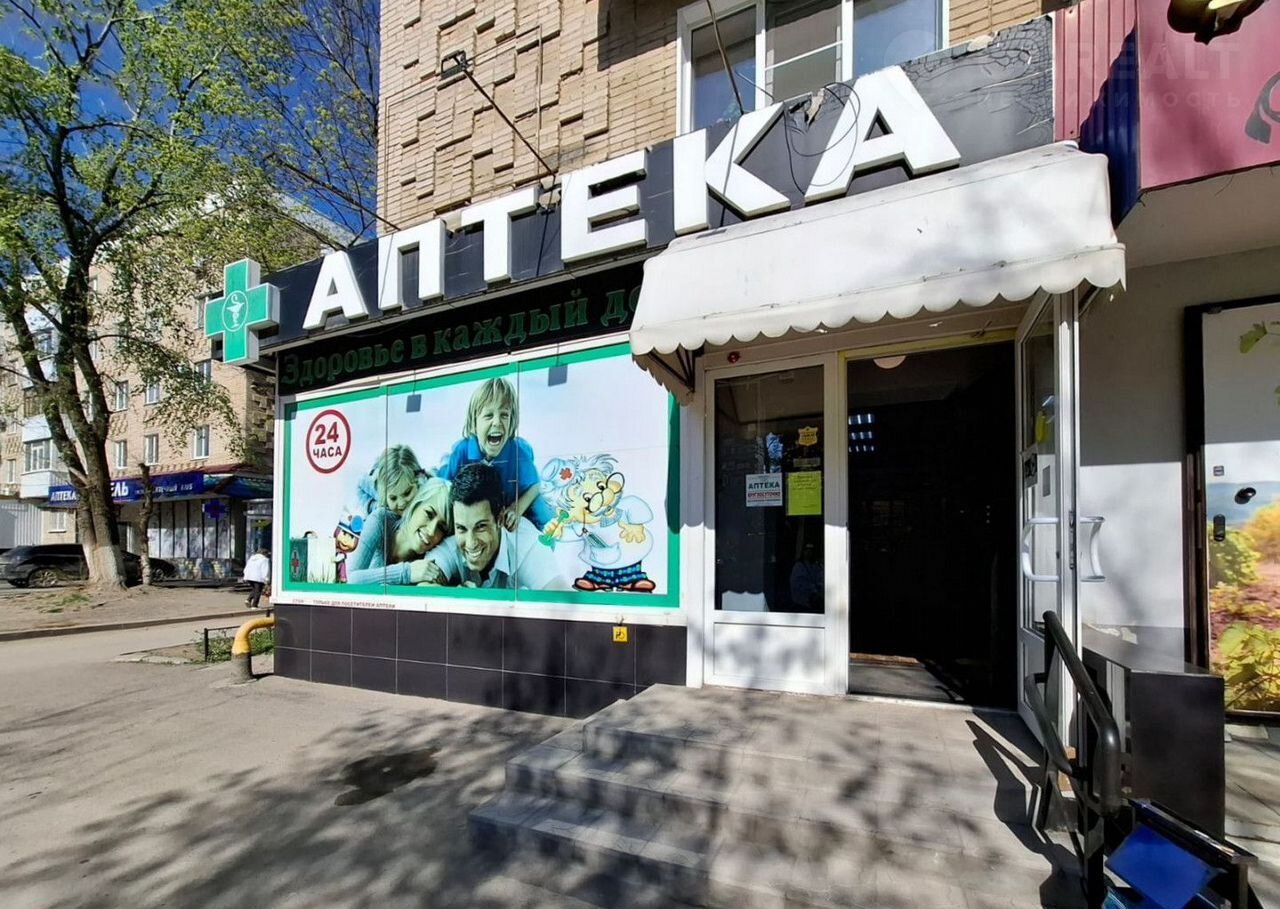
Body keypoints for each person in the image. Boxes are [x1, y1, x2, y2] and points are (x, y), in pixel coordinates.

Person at [436, 377, 555, 530]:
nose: (497, 422)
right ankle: (442, 462)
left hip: (511, 496)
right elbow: (446, 487)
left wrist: (516, 508)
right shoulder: (462, 451)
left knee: (542, 510)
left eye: (504, 415)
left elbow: (534, 486)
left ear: (512, 421)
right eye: (488, 415)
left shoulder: (516, 451)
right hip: (476, 494)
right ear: (474, 422)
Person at [428, 463, 566, 590]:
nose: (470, 543)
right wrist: (457, 599)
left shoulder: (528, 545)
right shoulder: (451, 543)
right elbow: (425, 584)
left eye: (480, 527)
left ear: (500, 519)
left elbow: (559, 596)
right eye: (462, 528)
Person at [346, 478, 451, 586]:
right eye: (429, 514)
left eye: (441, 527)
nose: (431, 531)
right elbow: (352, 579)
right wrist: (407, 572)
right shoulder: (382, 521)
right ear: (415, 504)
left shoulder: (430, 563)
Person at [356, 445, 427, 516]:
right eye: (393, 498)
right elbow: (359, 484)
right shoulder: (379, 490)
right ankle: (378, 462)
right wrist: (372, 506)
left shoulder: (424, 484)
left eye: (407, 493)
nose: (401, 503)